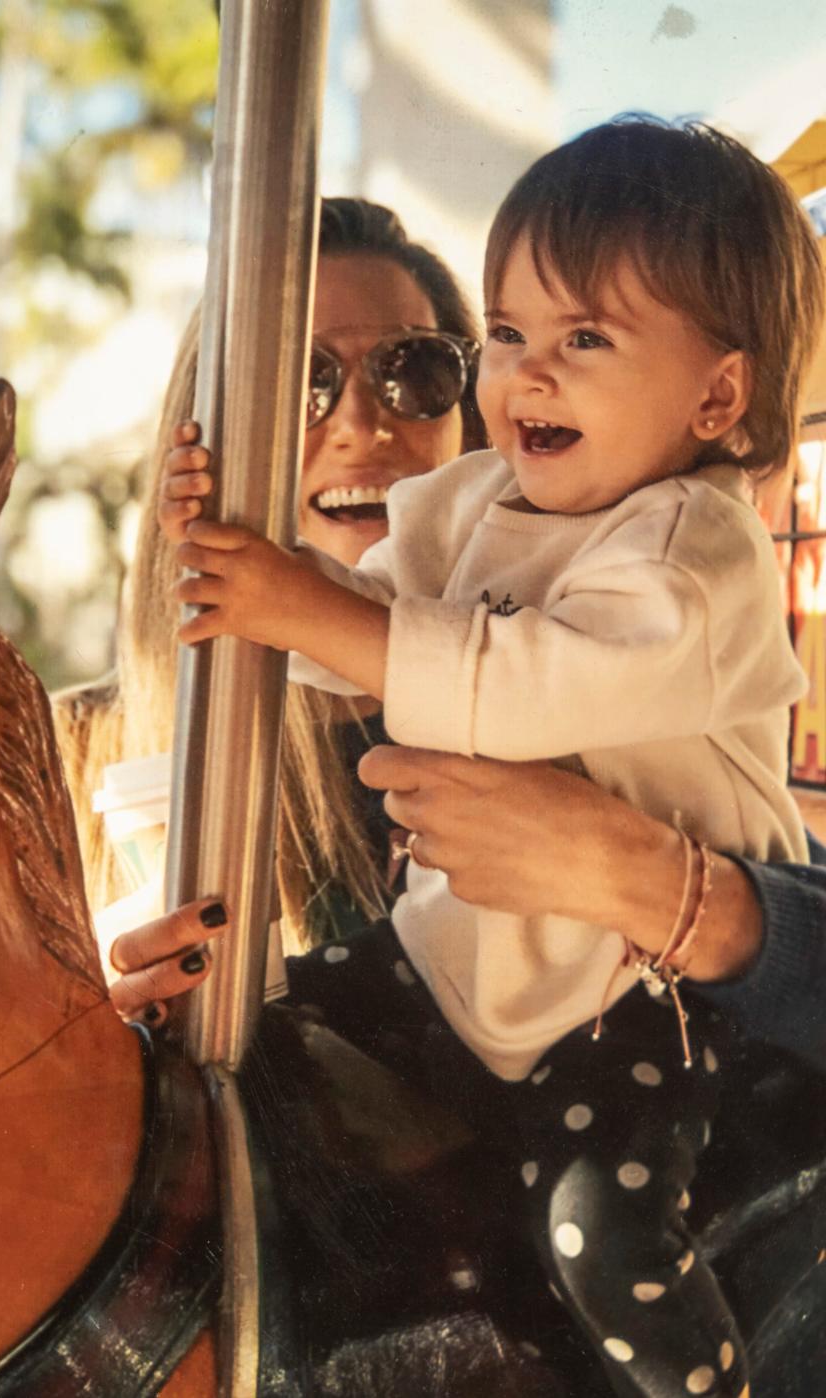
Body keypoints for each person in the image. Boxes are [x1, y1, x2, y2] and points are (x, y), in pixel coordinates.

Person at [158, 118, 826, 1397]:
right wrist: (247, 566)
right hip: (454, 974)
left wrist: (302, 604)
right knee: (228, 1069)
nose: (527, 375)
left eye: (584, 340)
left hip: (637, 1002)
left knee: (602, 1228)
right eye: (511, 336)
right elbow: (347, 639)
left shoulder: (696, 549)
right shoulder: (469, 510)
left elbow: (517, 689)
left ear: (719, 396)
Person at [53, 197, 485, 964]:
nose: (361, 424)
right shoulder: (71, 758)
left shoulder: (559, 706)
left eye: (415, 371)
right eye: (294, 383)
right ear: (199, 439)